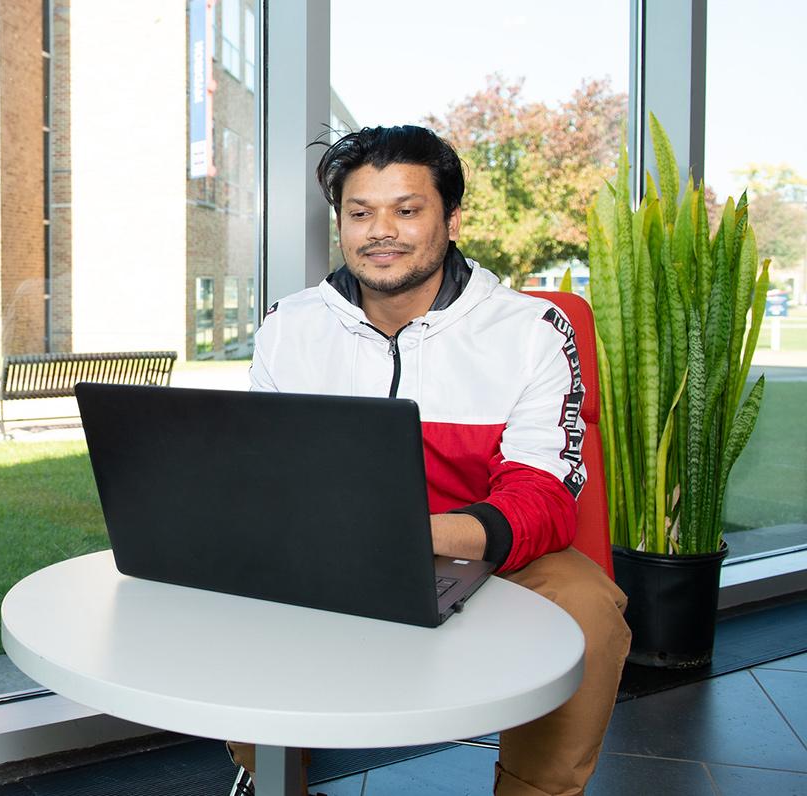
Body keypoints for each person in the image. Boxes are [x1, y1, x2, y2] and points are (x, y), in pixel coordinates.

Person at [226, 125, 631, 796]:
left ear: (451, 218)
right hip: (329, 548)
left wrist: (416, 536)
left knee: (588, 605)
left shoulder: (529, 331)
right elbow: (269, 472)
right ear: (340, 224)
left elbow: (541, 499)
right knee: (227, 581)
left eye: (407, 210)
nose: (380, 230)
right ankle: (273, 780)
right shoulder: (290, 325)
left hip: (483, 551)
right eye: (360, 213)